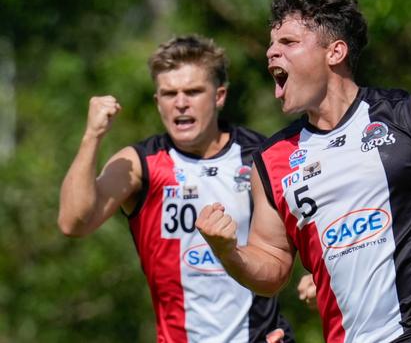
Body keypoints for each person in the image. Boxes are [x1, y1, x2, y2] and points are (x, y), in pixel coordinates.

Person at [196, 0, 411, 343]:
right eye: (271, 44)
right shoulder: (272, 161)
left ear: (335, 52)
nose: (271, 53)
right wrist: (227, 251)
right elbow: (273, 265)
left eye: (288, 42)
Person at [57, 34, 294, 343]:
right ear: (158, 102)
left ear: (219, 96)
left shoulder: (261, 155)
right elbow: (73, 222)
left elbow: (310, 228)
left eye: (193, 91)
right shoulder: (142, 163)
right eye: (169, 94)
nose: (180, 103)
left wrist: (317, 280)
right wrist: (92, 135)